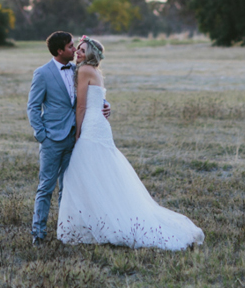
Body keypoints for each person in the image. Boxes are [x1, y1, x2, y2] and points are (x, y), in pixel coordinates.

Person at [57, 35, 205, 250]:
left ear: (89, 54)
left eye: (82, 49)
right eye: (76, 48)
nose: (77, 52)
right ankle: (98, 219)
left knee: (82, 172)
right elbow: (97, 100)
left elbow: (81, 106)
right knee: (99, 172)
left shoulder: (83, 70)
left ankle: (94, 224)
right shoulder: (95, 71)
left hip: (90, 126)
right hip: (99, 125)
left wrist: (77, 133)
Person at [27, 31, 110, 244]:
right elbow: (33, 107)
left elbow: (89, 98)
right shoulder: (42, 74)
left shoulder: (78, 70)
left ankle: (65, 232)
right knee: (46, 187)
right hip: (52, 139)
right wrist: (42, 135)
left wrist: (105, 106)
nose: (75, 50)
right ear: (59, 51)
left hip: (76, 138)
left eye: (75, 46)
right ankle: (38, 234)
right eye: (71, 47)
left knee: (69, 188)